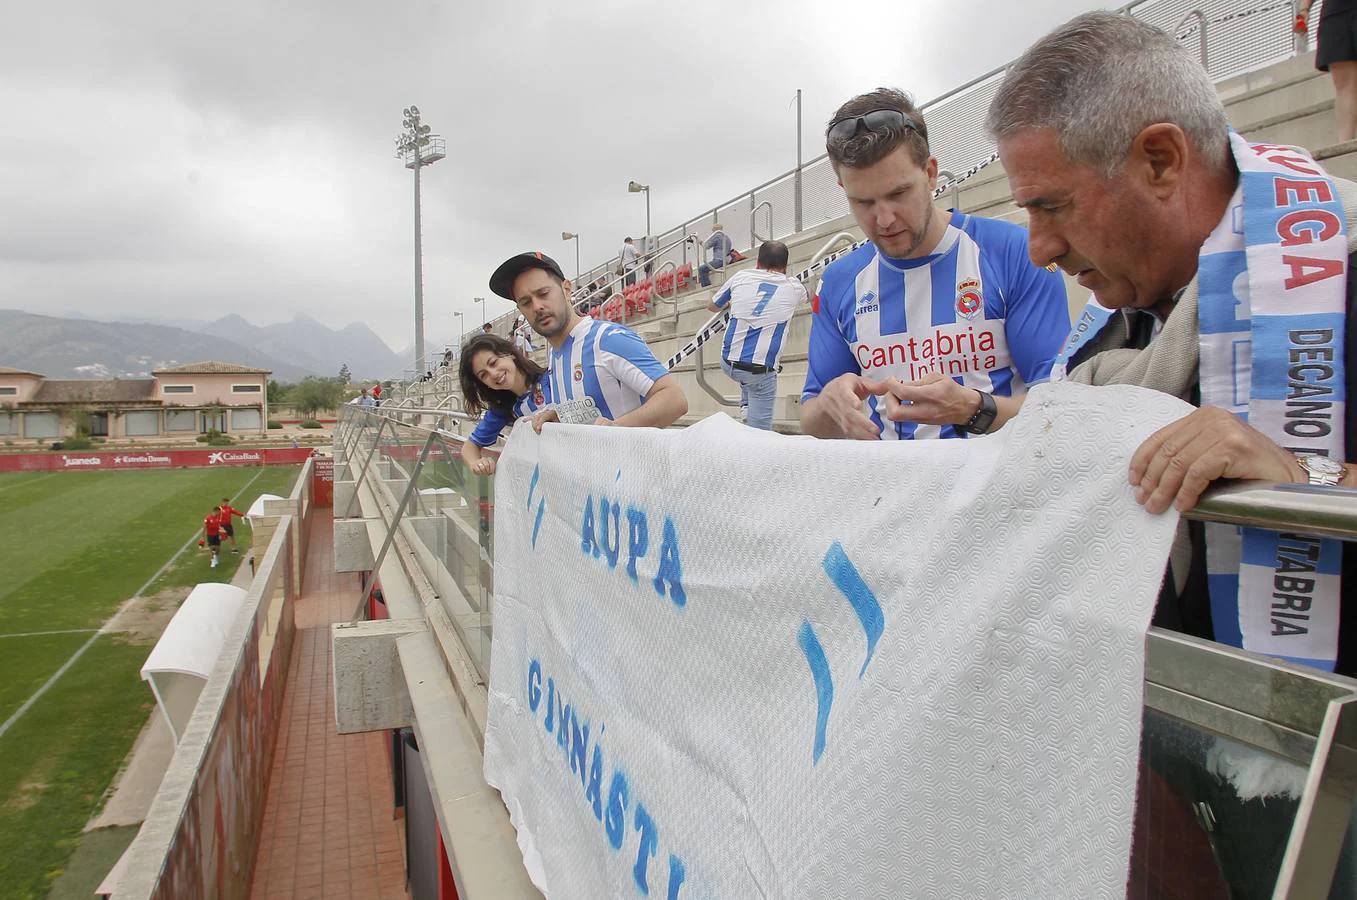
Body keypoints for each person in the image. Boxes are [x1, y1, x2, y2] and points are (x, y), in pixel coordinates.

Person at [987, 16, 1357, 891]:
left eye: (1051, 206)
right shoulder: (1117, 317)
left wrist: (1302, 479)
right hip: (1181, 777)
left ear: (1159, 159)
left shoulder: (1338, 264)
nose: (1038, 247)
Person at [800, 87, 1071, 441]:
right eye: (863, 202)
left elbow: (1061, 405)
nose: (883, 219)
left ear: (930, 173)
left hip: (993, 488)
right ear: (843, 188)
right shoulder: (839, 281)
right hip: (890, 491)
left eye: (898, 194)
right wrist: (827, 407)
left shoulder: (1013, 252)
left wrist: (974, 409)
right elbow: (811, 417)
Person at [488, 251, 688, 429]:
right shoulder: (555, 357)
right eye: (526, 302)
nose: (537, 306)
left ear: (567, 290)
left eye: (543, 293)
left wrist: (616, 427)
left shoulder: (607, 339)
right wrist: (559, 415)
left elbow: (674, 399)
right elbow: (591, 407)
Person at [706, 240, 807, 430]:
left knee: (745, 367)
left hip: (728, 363)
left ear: (757, 263)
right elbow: (806, 298)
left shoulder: (741, 277)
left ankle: (745, 405)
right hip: (761, 372)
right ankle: (749, 426)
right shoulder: (793, 286)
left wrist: (732, 303)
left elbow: (712, 306)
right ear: (785, 267)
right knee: (759, 434)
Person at [458, 332, 550, 477]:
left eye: (493, 363)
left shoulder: (552, 379)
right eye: (484, 375)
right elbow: (469, 447)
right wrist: (477, 464)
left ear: (509, 353)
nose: (493, 374)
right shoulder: (503, 409)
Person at [1299, 0, 1357, 142]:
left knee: (1344, 86)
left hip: (1336, 14)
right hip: (1335, 13)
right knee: (1344, 85)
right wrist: (1304, 10)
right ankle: (1345, 146)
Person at [699, 223, 734, 287]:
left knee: (702, 269)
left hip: (719, 260)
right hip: (726, 260)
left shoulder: (717, 236)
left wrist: (700, 242)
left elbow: (706, 246)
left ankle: (706, 286)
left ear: (714, 230)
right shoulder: (727, 237)